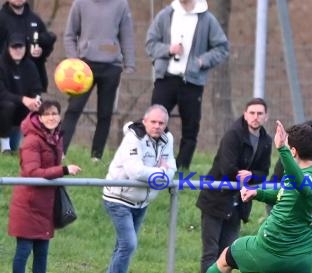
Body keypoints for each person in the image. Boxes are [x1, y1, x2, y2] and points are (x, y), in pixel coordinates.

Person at [176, 121, 312, 273]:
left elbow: (301, 185)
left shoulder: (303, 179)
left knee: (226, 257)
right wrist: (259, 192)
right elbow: (288, 193)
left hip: (272, 246)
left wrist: (281, 148)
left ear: (293, 151)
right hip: (301, 257)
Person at [99, 104, 176, 273]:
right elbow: (135, 171)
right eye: (153, 122)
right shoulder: (133, 138)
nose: (157, 126)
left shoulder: (168, 139)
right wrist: (161, 172)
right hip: (118, 198)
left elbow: (172, 168)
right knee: (129, 244)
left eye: (161, 123)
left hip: (141, 202)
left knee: (122, 246)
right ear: (144, 121)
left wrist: (163, 172)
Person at [8, 99, 82, 273]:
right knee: (23, 252)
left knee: (42, 253)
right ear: (39, 118)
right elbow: (32, 171)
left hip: (45, 204)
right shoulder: (32, 139)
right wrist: (64, 170)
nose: (51, 117)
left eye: (55, 113)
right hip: (28, 204)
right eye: (47, 114)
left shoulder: (55, 137)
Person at [196, 98, 272, 273]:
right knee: (210, 251)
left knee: (227, 253)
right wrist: (245, 176)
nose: (255, 117)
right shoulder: (233, 134)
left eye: (260, 113)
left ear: (266, 116)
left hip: (239, 203)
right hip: (216, 199)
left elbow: (264, 172)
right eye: (252, 113)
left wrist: (252, 175)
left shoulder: (266, 140)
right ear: (245, 114)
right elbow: (227, 167)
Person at [145, 0, 229, 170]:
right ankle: (152, 162)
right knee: (156, 122)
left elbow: (222, 48)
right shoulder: (166, 15)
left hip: (192, 82)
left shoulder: (207, 19)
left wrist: (201, 61)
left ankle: (181, 167)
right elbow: (150, 44)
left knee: (190, 127)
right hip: (165, 78)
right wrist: (168, 49)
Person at [61, 0, 136, 161]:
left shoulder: (121, 4)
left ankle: (96, 157)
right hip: (83, 66)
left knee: (105, 113)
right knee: (73, 109)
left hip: (111, 66)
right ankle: (60, 151)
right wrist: (74, 62)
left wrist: (129, 63)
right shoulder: (80, 3)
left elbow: (127, 35)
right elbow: (69, 35)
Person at [0, 0, 57, 92]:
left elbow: (47, 43)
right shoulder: (2, 19)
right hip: (8, 83)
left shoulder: (35, 19)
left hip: (32, 82)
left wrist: (41, 51)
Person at [0, 32, 42, 154]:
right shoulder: (1, 64)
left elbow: (37, 88)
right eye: (14, 47)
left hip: (21, 110)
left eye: (21, 47)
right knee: (8, 106)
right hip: (3, 109)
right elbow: (1, 93)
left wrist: (36, 100)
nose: (17, 50)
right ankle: (5, 146)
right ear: (8, 47)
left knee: (42, 108)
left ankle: (34, 146)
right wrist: (23, 99)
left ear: (26, 48)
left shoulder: (30, 66)